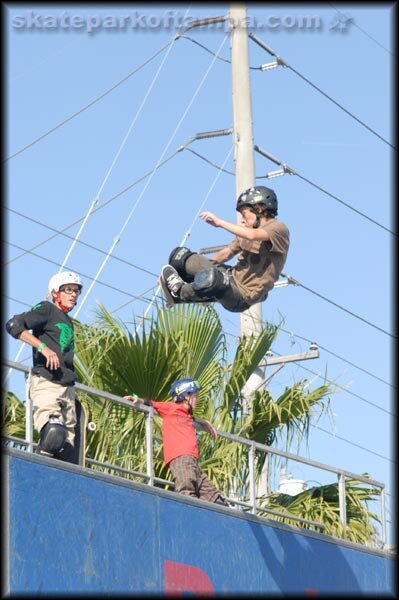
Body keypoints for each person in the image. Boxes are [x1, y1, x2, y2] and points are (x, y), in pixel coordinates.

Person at [161, 185, 290, 313]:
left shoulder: (278, 229)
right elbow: (226, 253)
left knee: (213, 279)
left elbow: (252, 236)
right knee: (179, 256)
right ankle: (192, 285)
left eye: (244, 214)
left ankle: (179, 292)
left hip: (242, 295)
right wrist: (196, 270)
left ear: (259, 209)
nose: (243, 220)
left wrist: (220, 223)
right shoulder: (246, 232)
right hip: (230, 276)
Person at [6, 271, 83, 463]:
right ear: (56, 293)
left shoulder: (68, 322)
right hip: (47, 381)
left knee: (67, 451)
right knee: (53, 433)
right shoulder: (47, 309)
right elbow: (14, 325)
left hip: (67, 388)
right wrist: (43, 347)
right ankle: (37, 468)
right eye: (68, 290)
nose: (73, 295)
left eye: (76, 291)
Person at [124, 378, 228, 506]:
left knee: (216, 499)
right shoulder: (171, 408)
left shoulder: (188, 415)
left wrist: (204, 422)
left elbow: (189, 418)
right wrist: (137, 400)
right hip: (181, 459)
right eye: (195, 396)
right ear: (185, 396)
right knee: (187, 494)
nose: (198, 399)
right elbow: (150, 403)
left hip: (193, 462)